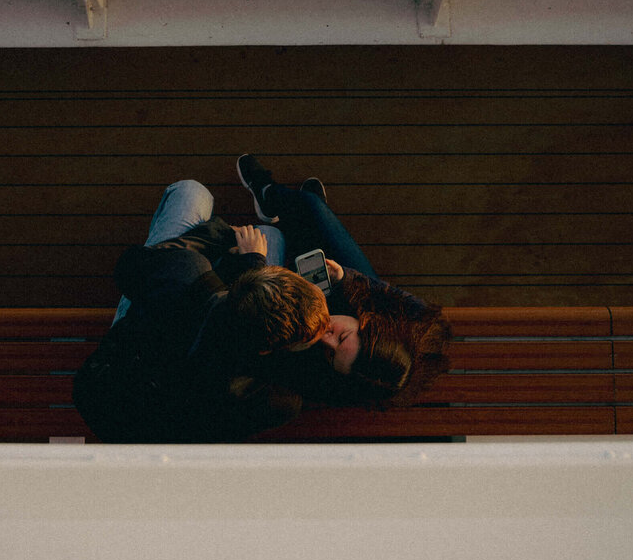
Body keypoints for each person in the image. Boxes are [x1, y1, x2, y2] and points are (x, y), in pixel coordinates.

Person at [73, 180, 334, 443]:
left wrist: (225, 238)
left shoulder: (186, 271)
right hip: (145, 427)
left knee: (192, 192)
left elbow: (128, 269)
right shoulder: (273, 397)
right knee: (270, 237)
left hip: (111, 387)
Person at [236, 154, 451, 408]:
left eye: (330, 353)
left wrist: (255, 263)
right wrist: (346, 279)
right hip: (351, 297)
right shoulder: (406, 326)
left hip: (294, 313)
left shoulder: (320, 377)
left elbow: (255, 334)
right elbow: (410, 305)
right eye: (341, 337)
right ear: (369, 323)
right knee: (311, 208)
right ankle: (271, 196)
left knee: (281, 233)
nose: (326, 337)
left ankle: (301, 218)